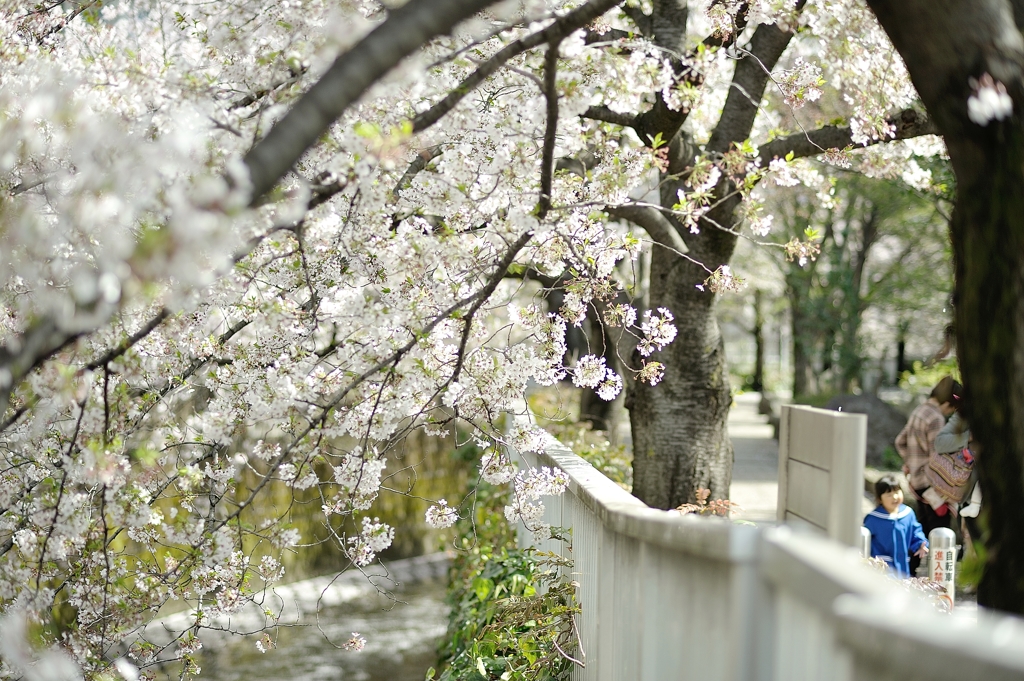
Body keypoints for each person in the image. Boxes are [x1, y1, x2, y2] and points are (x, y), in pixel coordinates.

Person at [894, 376, 960, 574]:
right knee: (941, 534)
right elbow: (937, 457)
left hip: (918, 484)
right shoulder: (936, 418)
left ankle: (908, 574)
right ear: (948, 403)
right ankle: (938, 582)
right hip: (934, 488)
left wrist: (912, 462)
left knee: (919, 531)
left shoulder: (919, 411)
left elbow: (900, 441)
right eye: (952, 409)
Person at [863, 474, 929, 577]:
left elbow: (915, 531)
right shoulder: (873, 519)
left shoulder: (908, 514)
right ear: (879, 499)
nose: (895, 497)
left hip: (903, 565)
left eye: (897, 491)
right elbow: (865, 541)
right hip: (882, 567)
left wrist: (920, 543)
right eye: (889, 494)